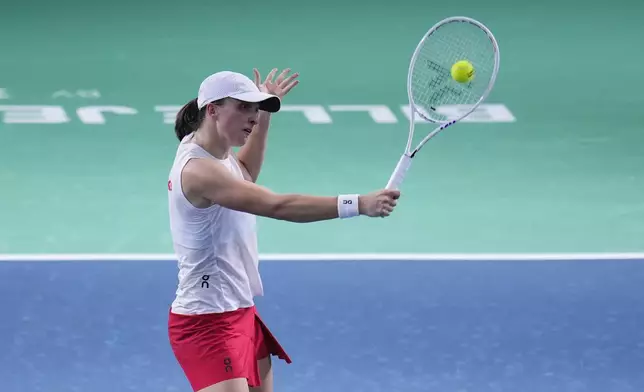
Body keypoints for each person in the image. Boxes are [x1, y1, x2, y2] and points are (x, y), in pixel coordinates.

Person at [166, 68, 401, 392]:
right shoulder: (199, 171)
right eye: (244, 108)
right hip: (206, 322)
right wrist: (358, 203)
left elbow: (244, 174)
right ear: (212, 109)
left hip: (239, 309)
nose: (253, 117)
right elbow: (278, 206)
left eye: (256, 109)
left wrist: (263, 116)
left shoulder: (213, 151)